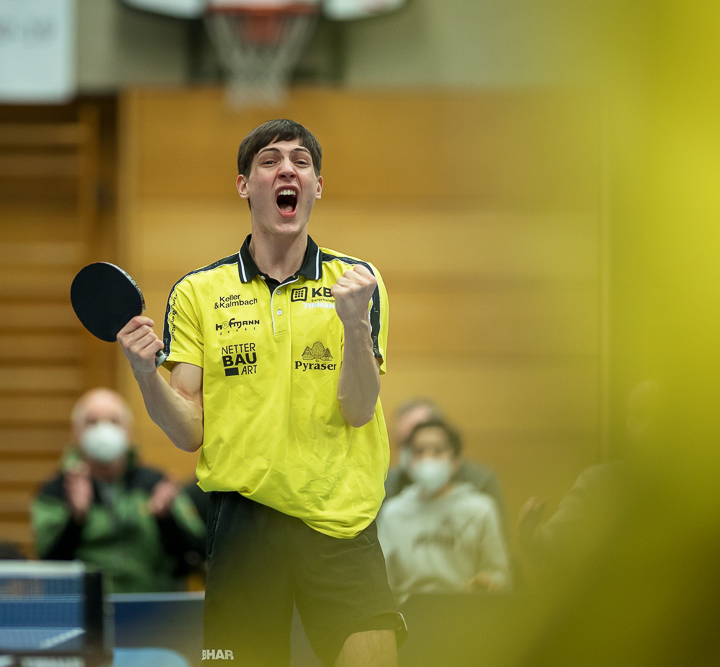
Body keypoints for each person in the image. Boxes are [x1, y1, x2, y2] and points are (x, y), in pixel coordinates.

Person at [115, 119, 403, 667]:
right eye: (269, 161)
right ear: (245, 185)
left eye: (301, 161)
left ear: (317, 186)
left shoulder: (357, 282)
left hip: (338, 517)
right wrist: (145, 374)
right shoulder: (198, 291)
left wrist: (354, 323)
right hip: (243, 524)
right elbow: (188, 430)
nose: (287, 169)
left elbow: (359, 408)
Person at [31, 388, 205, 593]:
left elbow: (196, 554)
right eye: (92, 422)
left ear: (128, 430)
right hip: (86, 606)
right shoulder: (57, 490)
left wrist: (165, 519)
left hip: (152, 605)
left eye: (114, 421)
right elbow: (49, 563)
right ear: (75, 432)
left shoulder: (155, 485)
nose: (103, 429)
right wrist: (76, 519)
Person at [377, 418, 510, 603]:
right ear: (408, 461)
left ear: (455, 461)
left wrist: (488, 582)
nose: (428, 458)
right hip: (408, 612)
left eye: (438, 451)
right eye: (419, 451)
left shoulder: (480, 509)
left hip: (465, 609)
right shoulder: (393, 512)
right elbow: (381, 580)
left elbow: (499, 574)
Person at [384, 398, 509, 535]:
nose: (427, 457)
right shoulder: (388, 487)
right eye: (403, 443)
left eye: (436, 450)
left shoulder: (481, 482)